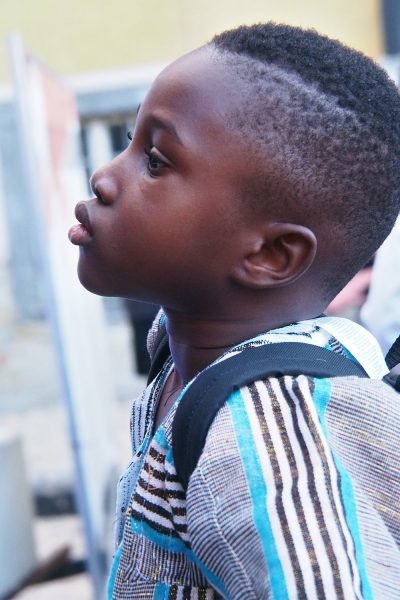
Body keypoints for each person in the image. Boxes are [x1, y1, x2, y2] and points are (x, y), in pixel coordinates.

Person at [68, 23, 400, 599]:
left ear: (270, 255)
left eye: (154, 159)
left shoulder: (272, 429)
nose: (103, 177)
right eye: (126, 138)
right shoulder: (181, 368)